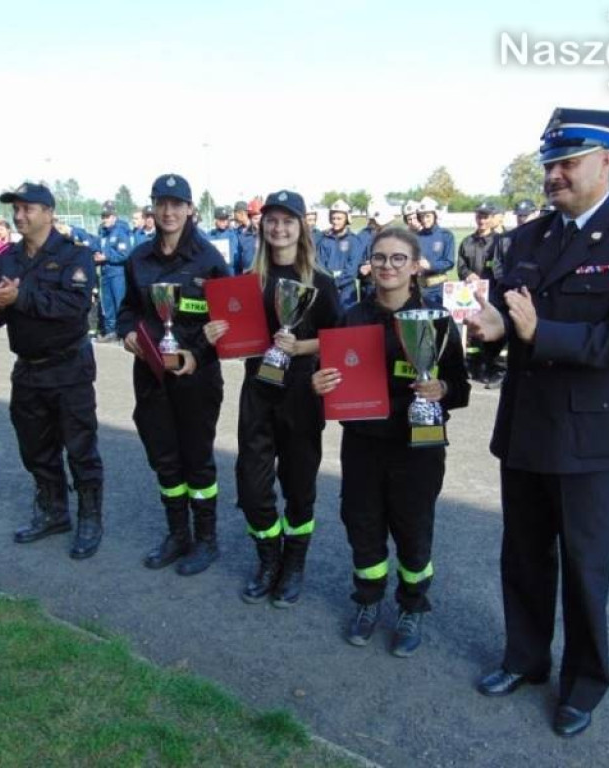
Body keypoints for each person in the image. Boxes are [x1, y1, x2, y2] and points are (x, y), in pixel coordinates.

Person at [467, 107, 609, 737]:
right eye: (550, 164)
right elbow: (509, 318)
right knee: (523, 556)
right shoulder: (528, 238)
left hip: (587, 434)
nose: (554, 175)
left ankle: (583, 685)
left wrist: (540, 332)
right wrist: (495, 328)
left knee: (585, 567)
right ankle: (525, 659)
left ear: (605, 162)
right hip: (526, 424)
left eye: (568, 163)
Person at [312, 228, 469, 656]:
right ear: (370, 263)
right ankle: (367, 600)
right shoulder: (351, 318)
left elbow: (461, 386)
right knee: (362, 525)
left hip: (418, 446)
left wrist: (442, 389)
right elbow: (331, 376)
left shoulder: (436, 320)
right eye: (380, 257)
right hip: (363, 443)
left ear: (415, 266)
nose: (388, 266)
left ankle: (412, 606)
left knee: (413, 529)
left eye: (399, 258)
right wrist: (320, 384)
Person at [204, 190, 341, 607]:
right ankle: (269, 558)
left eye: (288, 220)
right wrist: (216, 335)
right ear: (262, 226)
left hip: (301, 392)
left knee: (299, 487)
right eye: (272, 220)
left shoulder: (321, 282)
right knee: (251, 486)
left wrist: (301, 348)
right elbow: (237, 335)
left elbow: (338, 341)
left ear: (302, 227)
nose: (279, 228)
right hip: (259, 389)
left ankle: (293, 565)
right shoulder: (250, 280)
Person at [0, 182, 105, 560]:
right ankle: (53, 511)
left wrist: (20, 297)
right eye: (15, 209)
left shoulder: (74, 255)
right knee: (35, 449)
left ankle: (90, 518)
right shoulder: (8, 258)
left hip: (69, 367)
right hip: (28, 370)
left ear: (48, 213)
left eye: (27, 208)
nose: (19, 215)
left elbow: (73, 306)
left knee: (80, 448)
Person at [116, 173, 229, 576]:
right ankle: (178, 534)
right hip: (151, 375)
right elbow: (127, 309)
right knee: (164, 459)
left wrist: (195, 354)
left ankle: (206, 540)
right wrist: (128, 333)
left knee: (197, 461)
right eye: (161, 203)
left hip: (196, 378)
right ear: (153, 207)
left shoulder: (209, 260)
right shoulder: (138, 259)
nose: (168, 211)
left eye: (176, 204)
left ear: (189, 209)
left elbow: (228, 324)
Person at [457, 202, 501, 383]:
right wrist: (467, 274)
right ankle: (472, 365)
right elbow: (461, 265)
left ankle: (489, 367)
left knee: (490, 332)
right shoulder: (467, 241)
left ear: (492, 218)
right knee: (472, 331)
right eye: (479, 216)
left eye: (485, 217)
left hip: (493, 295)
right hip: (470, 295)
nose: (482, 220)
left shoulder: (500, 241)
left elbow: (502, 267)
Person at [95, 201, 133, 341]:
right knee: (108, 304)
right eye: (103, 216)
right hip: (105, 272)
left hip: (117, 274)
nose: (104, 219)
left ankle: (122, 333)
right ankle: (111, 332)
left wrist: (107, 257)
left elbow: (125, 254)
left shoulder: (120, 232)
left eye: (107, 216)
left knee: (119, 304)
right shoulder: (102, 233)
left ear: (114, 217)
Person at [317, 199, 365, 309]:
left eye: (339, 218)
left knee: (347, 315)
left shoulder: (354, 241)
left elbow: (352, 269)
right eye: (333, 218)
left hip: (347, 289)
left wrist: (336, 283)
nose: (335, 221)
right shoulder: (324, 240)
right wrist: (328, 284)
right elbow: (320, 265)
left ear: (347, 219)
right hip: (328, 288)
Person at [415, 197, 456, 303]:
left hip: (439, 290)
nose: (424, 220)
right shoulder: (416, 237)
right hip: (418, 289)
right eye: (421, 216)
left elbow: (449, 262)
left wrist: (430, 266)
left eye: (428, 216)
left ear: (435, 215)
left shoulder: (446, 235)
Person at [207, 205, 241, 274]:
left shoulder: (232, 235)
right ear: (215, 219)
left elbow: (234, 258)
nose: (224, 222)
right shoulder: (209, 235)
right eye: (221, 219)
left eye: (226, 219)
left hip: (229, 273)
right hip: (214, 273)